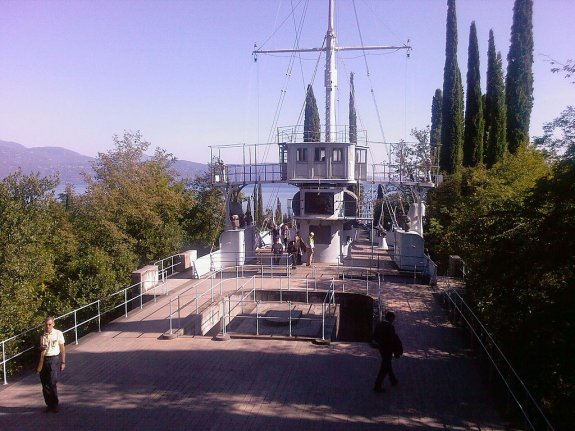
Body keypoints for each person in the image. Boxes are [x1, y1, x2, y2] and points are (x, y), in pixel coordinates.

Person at [38, 317, 66, 412]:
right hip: (43, 359)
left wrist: (63, 362)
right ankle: (49, 404)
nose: (48, 326)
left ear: (53, 324)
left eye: (50, 324)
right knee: (44, 384)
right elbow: (36, 348)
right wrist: (40, 348)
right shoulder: (41, 334)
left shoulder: (58, 333)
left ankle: (55, 404)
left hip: (53, 359)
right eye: (46, 324)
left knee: (52, 382)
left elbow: (62, 348)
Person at [372, 311, 402, 393]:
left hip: (381, 348)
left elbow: (374, 337)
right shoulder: (390, 327)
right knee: (384, 367)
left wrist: (380, 342)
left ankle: (393, 380)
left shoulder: (379, 324)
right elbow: (392, 340)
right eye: (393, 319)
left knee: (387, 364)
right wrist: (396, 352)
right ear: (391, 318)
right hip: (388, 349)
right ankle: (377, 385)